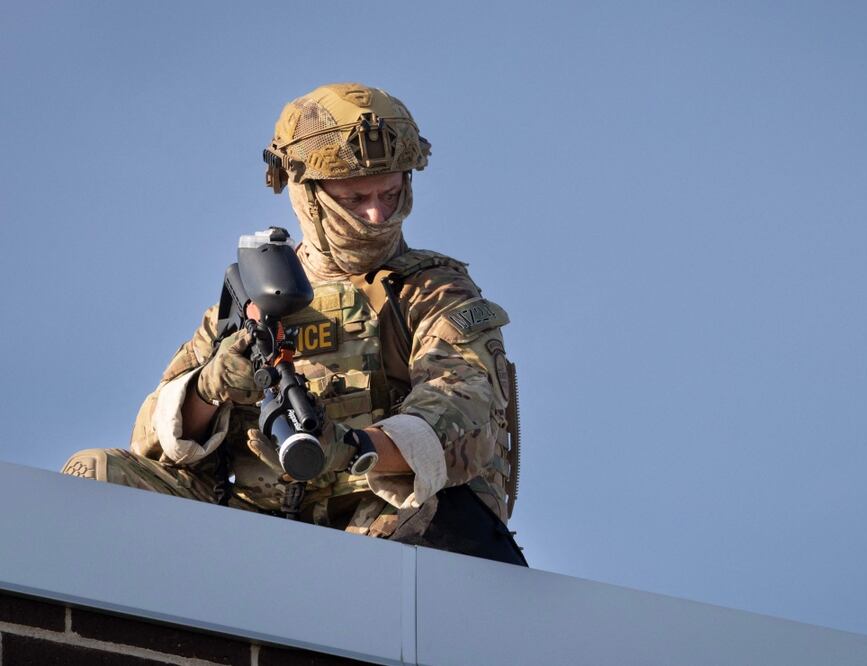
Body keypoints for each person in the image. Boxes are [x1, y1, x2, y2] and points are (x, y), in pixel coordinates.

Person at [61, 83, 525, 566]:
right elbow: (152, 442)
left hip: (375, 515)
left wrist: (351, 447)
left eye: (391, 193)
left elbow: (461, 410)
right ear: (307, 195)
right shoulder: (250, 296)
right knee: (96, 478)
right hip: (251, 520)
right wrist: (210, 387)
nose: (376, 214)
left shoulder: (430, 288)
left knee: (432, 514)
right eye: (356, 196)